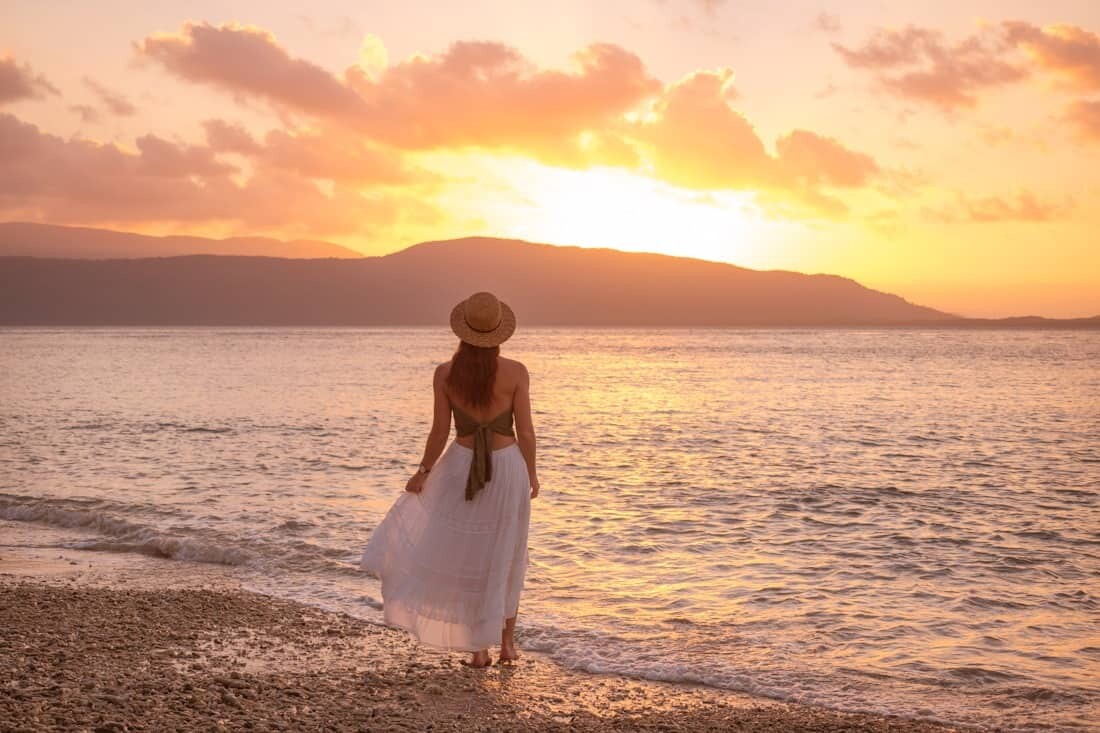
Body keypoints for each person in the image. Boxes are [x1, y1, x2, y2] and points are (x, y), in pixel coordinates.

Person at [360, 291, 540, 668]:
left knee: (468, 553)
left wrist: (423, 471)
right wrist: (532, 473)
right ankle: (507, 645)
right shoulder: (517, 372)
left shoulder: (445, 374)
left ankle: (478, 649)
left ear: (463, 332)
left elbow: (439, 431)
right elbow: (525, 432)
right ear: (498, 334)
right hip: (508, 467)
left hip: (460, 464)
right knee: (507, 553)